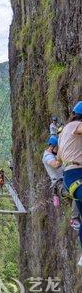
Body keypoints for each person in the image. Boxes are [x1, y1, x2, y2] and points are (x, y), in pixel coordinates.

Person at [57, 101, 82, 267]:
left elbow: (58, 158)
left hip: (69, 176)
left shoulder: (63, 131)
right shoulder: (76, 125)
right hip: (77, 174)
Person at [42, 135, 80, 229]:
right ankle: (74, 219)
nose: (59, 149)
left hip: (65, 180)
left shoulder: (53, 154)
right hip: (59, 184)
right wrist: (60, 153)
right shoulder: (47, 156)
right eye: (58, 147)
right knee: (77, 192)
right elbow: (55, 165)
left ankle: (77, 216)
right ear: (52, 146)